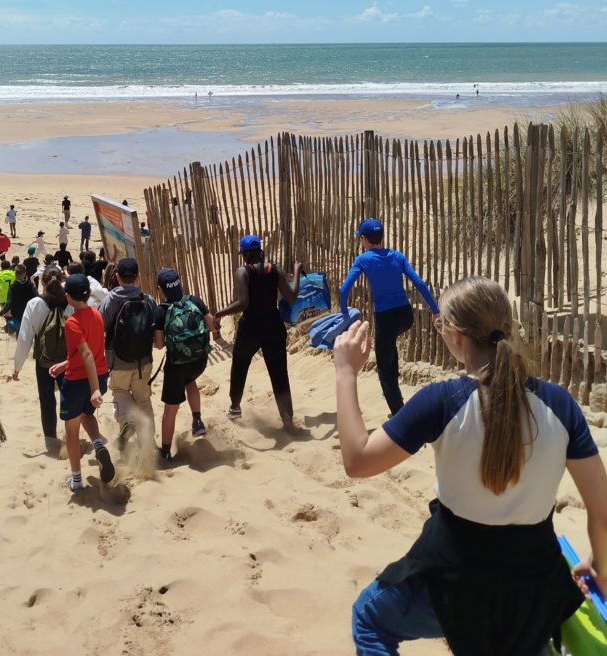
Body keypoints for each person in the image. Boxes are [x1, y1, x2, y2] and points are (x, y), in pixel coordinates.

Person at [335, 276, 607, 656]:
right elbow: (601, 509)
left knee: (369, 618)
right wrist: (599, 566)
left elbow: (357, 460)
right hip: (533, 592)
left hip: (457, 588)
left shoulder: (442, 401)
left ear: (457, 334)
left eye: (440, 323)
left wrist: (346, 373)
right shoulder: (560, 405)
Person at [339, 218, 439, 415]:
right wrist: (435, 310)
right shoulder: (398, 256)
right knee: (389, 350)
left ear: (364, 239)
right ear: (382, 237)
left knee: (384, 368)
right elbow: (419, 282)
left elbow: (343, 290)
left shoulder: (363, 260)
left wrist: (344, 315)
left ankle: (398, 413)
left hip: (386, 318)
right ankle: (396, 396)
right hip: (405, 316)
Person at [215, 234, 302, 426]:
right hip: (273, 325)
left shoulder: (243, 272)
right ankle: (287, 417)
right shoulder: (275, 269)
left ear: (245, 254)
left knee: (240, 365)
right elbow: (292, 297)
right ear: (260, 250)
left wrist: (220, 312)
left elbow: (243, 303)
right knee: (279, 372)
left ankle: (235, 407)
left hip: (251, 327)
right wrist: (296, 272)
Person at [48, 273, 115, 491]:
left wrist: (94, 389)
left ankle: (76, 480)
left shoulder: (72, 323)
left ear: (68, 296)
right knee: (87, 414)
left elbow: (86, 355)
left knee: (72, 430)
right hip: (101, 374)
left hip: (79, 382)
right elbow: (91, 351)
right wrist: (65, 363)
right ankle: (98, 443)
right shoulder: (96, 314)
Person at [154, 268, 215, 461]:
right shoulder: (195, 300)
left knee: (170, 410)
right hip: (200, 361)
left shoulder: (161, 311)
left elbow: (159, 344)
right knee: (190, 381)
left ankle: (165, 452)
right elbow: (212, 326)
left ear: (160, 289)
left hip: (177, 365)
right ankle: (197, 421)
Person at [99, 257, 158, 450]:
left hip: (118, 361)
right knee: (143, 400)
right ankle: (148, 443)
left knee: (120, 392)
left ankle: (126, 424)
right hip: (143, 361)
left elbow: (101, 326)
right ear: (138, 277)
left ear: (117, 276)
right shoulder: (147, 299)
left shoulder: (110, 300)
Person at [10, 267, 69, 444]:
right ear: (62, 280)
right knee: (68, 397)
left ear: (42, 283)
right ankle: (71, 434)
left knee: (46, 398)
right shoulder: (70, 302)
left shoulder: (35, 304)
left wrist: (17, 367)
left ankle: (50, 438)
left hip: (44, 360)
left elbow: (25, 337)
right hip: (68, 360)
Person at [0, 262, 37, 335]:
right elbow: (36, 297)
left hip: (17, 315)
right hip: (29, 313)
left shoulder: (12, 287)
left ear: (15, 274)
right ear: (25, 273)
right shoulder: (31, 285)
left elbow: (9, 302)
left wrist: (2, 311)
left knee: (19, 334)